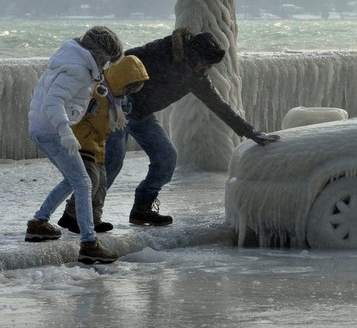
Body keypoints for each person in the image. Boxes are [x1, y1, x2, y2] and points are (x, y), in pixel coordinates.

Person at [105, 28, 279, 227]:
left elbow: (219, 106)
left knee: (166, 157)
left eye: (210, 65)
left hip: (143, 116)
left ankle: (142, 209)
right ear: (193, 53)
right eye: (205, 62)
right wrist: (109, 97)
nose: (207, 68)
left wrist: (250, 132)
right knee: (112, 162)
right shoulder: (161, 50)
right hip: (118, 110)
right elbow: (121, 61)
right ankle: (80, 212)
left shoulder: (196, 78)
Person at [25, 26, 123, 265]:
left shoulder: (72, 59)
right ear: (100, 55)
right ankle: (89, 243)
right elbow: (53, 101)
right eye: (108, 61)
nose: (107, 66)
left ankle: (39, 224)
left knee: (73, 179)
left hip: (40, 128)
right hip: (52, 131)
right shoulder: (78, 70)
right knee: (83, 182)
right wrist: (65, 131)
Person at [57, 55, 150, 235]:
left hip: (97, 146)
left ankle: (94, 218)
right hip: (83, 142)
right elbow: (79, 117)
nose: (126, 93)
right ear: (119, 80)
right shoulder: (97, 93)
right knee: (90, 180)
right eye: (126, 87)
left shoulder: (115, 101)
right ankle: (72, 215)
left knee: (101, 183)